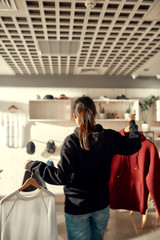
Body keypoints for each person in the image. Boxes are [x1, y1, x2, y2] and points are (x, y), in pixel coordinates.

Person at [25, 96, 141, 240]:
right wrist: (132, 123)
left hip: (77, 208)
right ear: (95, 115)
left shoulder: (71, 142)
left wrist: (33, 165)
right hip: (101, 205)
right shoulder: (110, 137)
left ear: (74, 116)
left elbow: (60, 177)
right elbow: (134, 145)